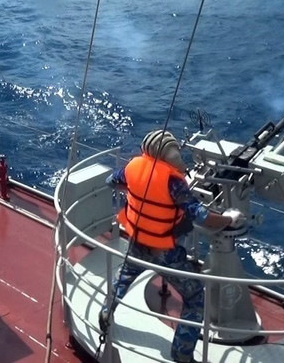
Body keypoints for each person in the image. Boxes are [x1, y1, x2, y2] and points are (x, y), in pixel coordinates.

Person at [102, 130, 242, 363]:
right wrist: (229, 219)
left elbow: (111, 182)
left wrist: (140, 196)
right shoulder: (174, 183)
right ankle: (181, 353)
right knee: (196, 296)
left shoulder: (132, 168)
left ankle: (105, 315)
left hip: (136, 241)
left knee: (122, 279)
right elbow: (203, 217)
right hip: (164, 251)